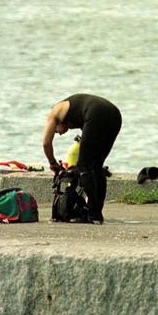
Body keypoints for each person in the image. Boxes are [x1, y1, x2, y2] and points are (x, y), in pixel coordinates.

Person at [42, 93, 122, 224]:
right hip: (114, 114)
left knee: (84, 166)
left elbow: (46, 143)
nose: (59, 134)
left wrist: (53, 163)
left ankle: (94, 214)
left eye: (56, 131)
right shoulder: (72, 110)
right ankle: (97, 213)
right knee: (96, 166)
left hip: (96, 112)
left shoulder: (54, 114)